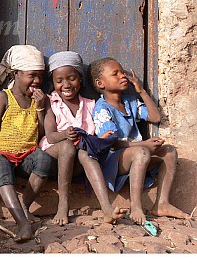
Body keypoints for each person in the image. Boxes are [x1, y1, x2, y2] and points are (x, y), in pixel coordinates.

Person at [89, 57, 189, 224]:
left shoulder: (130, 102)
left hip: (136, 154)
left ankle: (162, 203)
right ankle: (136, 207)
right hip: (114, 162)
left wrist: (141, 91)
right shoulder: (102, 108)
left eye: (122, 72)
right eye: (116, 74)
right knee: (141, 152)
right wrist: (144, 144)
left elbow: (155, 117)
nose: (123, 76)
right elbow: (111, 143)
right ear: (100, 83)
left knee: (169, 151)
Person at [40, 51, 127, 225]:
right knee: (68, 146)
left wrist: (101, 138)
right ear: (53, 83)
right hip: (54, 156)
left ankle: (107, 209)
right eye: (59, 81)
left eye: (71, 78)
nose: (66, 85)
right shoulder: (51, 102)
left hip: (79, 162)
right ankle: (62, 206)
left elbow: (92, 136)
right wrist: (65, 134)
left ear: (80, 79)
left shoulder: (90, 104)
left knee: (84, 152)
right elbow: (50, 136)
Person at [0, 45, 54, 242]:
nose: (37, 81)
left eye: (40, 76)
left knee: (44, 160)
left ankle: (25, 205)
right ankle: (22, 223)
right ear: (16, 74)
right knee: (0, 168)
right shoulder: (4, 97)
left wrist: (39, 108)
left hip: (27, 154)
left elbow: (42, 133)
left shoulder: (39, 100)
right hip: (3, 153)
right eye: (31, 75)